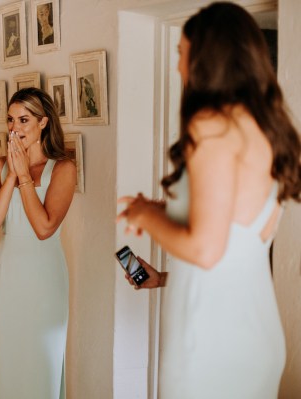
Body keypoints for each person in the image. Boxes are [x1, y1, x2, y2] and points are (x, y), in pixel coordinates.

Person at [116, 3, 301, 399]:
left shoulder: (212, 127)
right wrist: (162, 215)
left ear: (206, 59)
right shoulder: (266, 128)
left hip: (211, 335)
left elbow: (205, 249)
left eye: (181, 54)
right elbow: (236, 231)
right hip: (253, 329)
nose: (178, 67)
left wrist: (146, 215)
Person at [0, 87, 76, 398]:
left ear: (43, 123)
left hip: (45, 281)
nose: (14, 128)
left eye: (23, 120)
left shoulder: (63, 168)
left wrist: (24, 177)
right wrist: (11, 174)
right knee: (9, 368)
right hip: (5, 280)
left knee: (42, 367)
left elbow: (44, 227)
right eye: (10, 120)